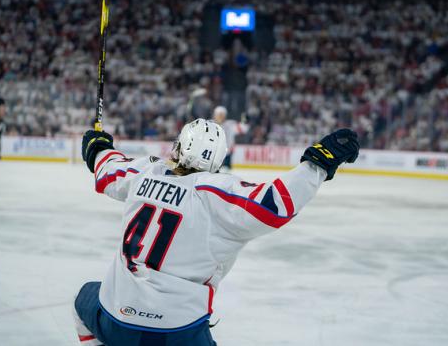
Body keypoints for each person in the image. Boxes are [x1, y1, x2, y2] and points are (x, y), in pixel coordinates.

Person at [74, 118, 359, 346]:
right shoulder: (215, 193)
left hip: (116, 319)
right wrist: (319, 162)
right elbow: (274, 204)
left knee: (84, 300)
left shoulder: (145, 173)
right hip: (179, 331)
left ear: (179, 146)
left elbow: (107, 172)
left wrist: (99, 148)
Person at [212, 106, 249, 170]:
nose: (220, 117)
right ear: (215, 115)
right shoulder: (209, 124)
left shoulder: (231, 124)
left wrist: (244, 120)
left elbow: (244, 129)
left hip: (226, 156)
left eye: (222, 115)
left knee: (225, 174)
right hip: (212, 155)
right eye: (219, 115)